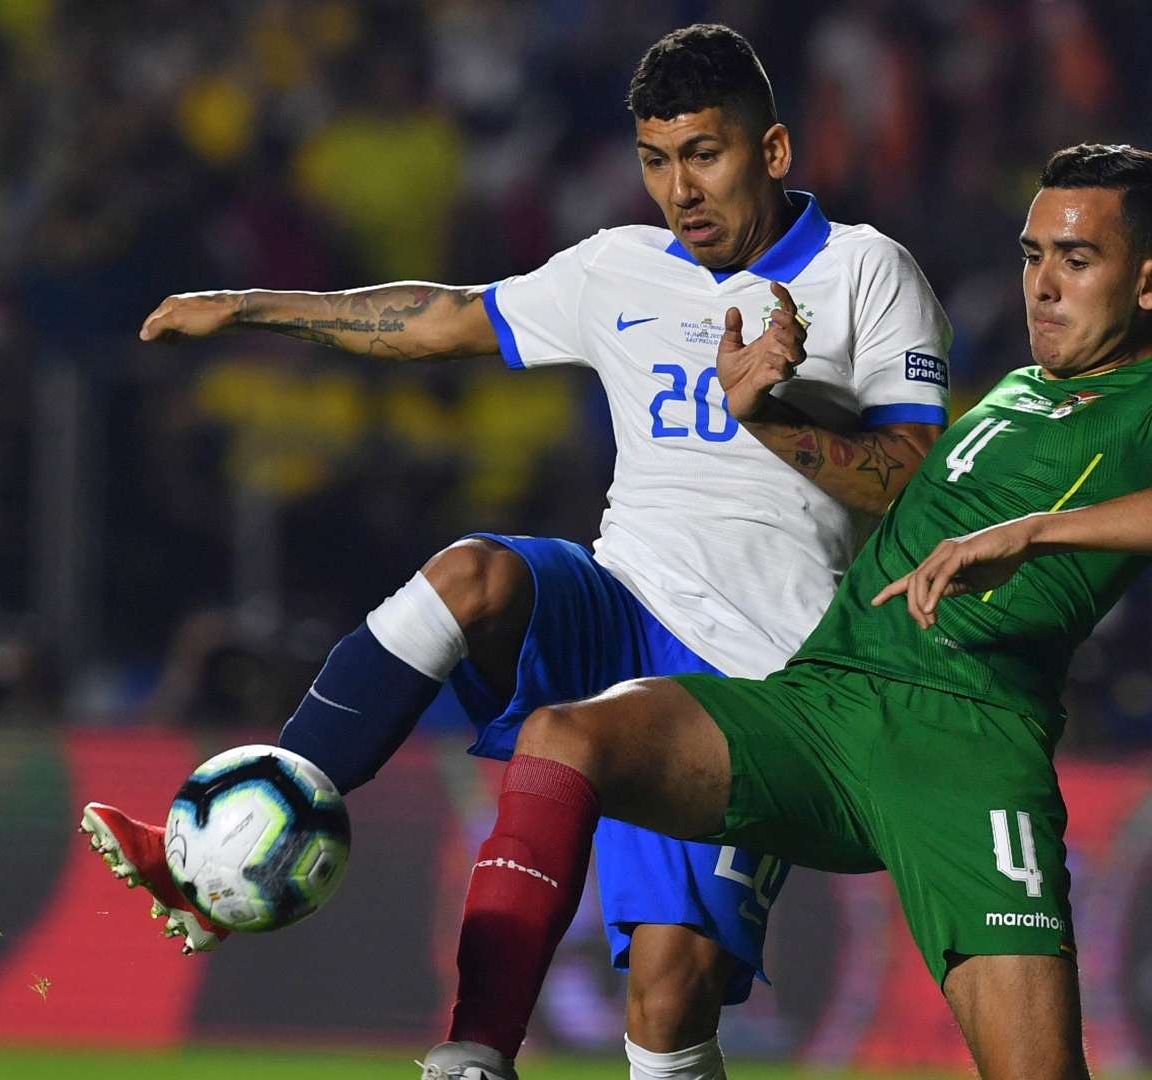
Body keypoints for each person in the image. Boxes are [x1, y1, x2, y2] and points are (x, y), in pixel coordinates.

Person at [78, 23, 951, 1080]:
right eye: (657, 160)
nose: (681, 189)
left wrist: (775, 411)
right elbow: (441, 319)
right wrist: (249, 308)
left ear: (771, 152)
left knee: (669, 998)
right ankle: (269, 840)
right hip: (621, 600)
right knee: (472, 575)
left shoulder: (866, 273)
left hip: (762, 682)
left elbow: (912, 480)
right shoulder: (618, 268)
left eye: (705, 155)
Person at [419, 144, 1152, 1080]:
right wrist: (768, 418)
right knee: (563, 737)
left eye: (1078, 260)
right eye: (1033, 256)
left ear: (1151, 283)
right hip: (822, 705)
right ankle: (477, 1057)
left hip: (967, 751)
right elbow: (881, 489)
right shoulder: (1015, 392)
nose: (1044, 287)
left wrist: (1034, 531)